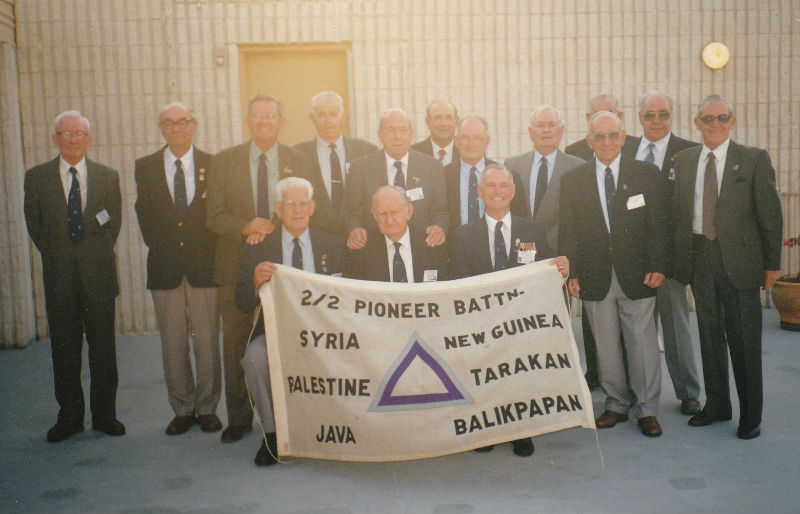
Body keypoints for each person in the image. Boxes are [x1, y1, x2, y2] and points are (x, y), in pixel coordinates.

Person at [672, 95, 783, 440]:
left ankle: (750, 415)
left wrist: (772, 264)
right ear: (697, 123)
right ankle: (718, 405)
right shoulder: (684, 160)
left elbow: (770, 214)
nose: (715, 124)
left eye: (722, 117)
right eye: (708, 119)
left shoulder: (753, 159)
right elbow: (679, 213)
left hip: (740, 262)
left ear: (732, 121)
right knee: (709, 335)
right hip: (700, 257)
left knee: (744, 339)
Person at [206, 94, 313, 444]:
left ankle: (295, 414)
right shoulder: (224, 161)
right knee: (238, 343)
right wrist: (246, 226)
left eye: (271, 115)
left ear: (281, 121)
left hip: (287, 264)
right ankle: (239, 418)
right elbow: (213, 216)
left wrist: (274, 228)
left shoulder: (299, 160)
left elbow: (304, 208)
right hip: (235, 265)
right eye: (257, 115)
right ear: (248, 120)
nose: (264, 121)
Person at [559, 111, 669, 438]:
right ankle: (616, 404)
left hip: (638, 274)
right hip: (594, 275)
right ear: (589, 141)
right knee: (605, 346)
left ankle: (647, 409)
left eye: (612, 135)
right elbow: (569, 231)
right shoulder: (573, 180)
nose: (606, 142)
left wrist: (658, 264)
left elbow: (659, 223)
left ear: (623, 138)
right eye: (599, 136)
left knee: (642, 343)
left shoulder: (646, 174)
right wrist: (572, 272)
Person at [449, 164, 570, 456]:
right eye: (491, 186)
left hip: (520, 321)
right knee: (484, 374)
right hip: (482, 321)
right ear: (480, 192)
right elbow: (460, 282)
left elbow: (544, 273)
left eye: (504, 185)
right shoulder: (463, 235)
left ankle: (521, 430)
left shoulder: (533, 229)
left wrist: (561, 269)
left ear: (513, 192)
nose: (497, 191)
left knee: (519, 374)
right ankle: (486, 429)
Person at [24, 110, 125, 442]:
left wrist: (90, 253)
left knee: (103, 349)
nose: (72, 139)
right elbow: (35, 226)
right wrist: (62, 256)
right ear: (55, 139)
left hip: (99, 277)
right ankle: (69, 417)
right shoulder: (36, 177)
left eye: (79, 133)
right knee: (64, 350)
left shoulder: (107, 176)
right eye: (65, 133)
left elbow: (112, 222)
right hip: (60, 278)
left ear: (89, 139)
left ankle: (105, 415)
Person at [237, 177, 345, 466]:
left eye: (302, 204)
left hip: (325, 336)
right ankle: (273, 435)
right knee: (254, 359)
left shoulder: (333, 244)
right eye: (290, 205)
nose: (297, 210)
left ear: (312, 208)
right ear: (278, 209)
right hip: (277, 335)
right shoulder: (259, 246)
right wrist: (255, 281)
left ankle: (339, 429)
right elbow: (241, 302)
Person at [134, 102, 222, 436]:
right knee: (173, 343)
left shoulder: (213, 164)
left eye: (183, 121)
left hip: (204, 269)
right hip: (166, 267)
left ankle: (207, 408)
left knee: (206, 342)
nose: (176, 127)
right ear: (161, 128)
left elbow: (216, 214)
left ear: (194, 125)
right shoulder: (145, 167)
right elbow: (145, 214)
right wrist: (167, 246)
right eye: (169, 123)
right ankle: (183, 409)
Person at [622, 91, 703, 416]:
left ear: (672, 116)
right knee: (633, 330)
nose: (656, 121)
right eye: (649, 115)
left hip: (670, 260)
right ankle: (633, 392)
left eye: (663, 114)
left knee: (676, 329)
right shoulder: (624, 150)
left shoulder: (689, 152)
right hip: (632, 259)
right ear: (639, 118)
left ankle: (688, 393)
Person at [343, 108, 448, 251]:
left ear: (411, 134)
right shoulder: (360, 168)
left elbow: (441, 212)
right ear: (380, 135)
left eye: (403, 130)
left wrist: (439, 227)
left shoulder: (432, 167)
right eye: (391, 130)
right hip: (375, 251)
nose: (397, 136)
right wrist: (355, 229)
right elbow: (352, 213)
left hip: (421, 249)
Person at [293, 91, 378, 234]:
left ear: (344, 116)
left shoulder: (367, 151)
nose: (328, 121)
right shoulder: (297, 155)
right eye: (321, 115)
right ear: (312, 118)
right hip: (316, 239)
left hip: (360, 238)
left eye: (333, 114)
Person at [505, 104, 584, 250]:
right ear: (531, 132)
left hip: (560, 250)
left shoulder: (577, 167)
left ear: (561, 131)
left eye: (552, 125)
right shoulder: (512, 165)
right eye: (540, 125)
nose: (546, 130)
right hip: (521, 248)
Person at [345, 185, 448, 282]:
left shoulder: (431, 245)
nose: (389, 221)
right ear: (374, 214)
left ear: (409, 211)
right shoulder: (361, 251)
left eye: (394, 212)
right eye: (382, 214)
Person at [443, 115, 528, 228]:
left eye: (477, 138)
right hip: (454, 238)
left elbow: (520, 218)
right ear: (457, 141)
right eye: (465, 138)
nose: (471, 144)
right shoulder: (442, 176)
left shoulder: (508, 176)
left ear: (487, 141)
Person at [564, 94, 638, 161]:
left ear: (619, 116)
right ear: (588, 117)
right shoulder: (574, 151)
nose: (603, 118)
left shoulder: (635, 148)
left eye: (609, 113)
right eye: (597, 114)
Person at [411, 99, 460, 166]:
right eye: (437, 118)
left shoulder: (467, 151)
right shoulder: (413, 153)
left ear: (456, 121)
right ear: (428, 122)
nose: (443, 123)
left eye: (448, 118)